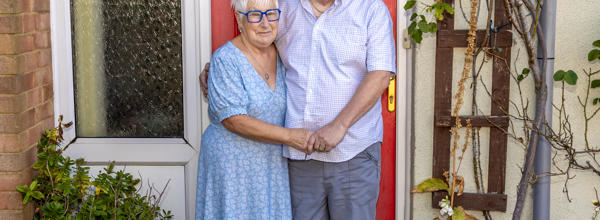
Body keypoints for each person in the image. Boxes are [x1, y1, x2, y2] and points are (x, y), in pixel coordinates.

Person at [201, 0, 396, 219]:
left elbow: (380, 75)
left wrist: (339, 125)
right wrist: (220, 70)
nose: (265, 21)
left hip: (352, 151)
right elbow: (257, 39)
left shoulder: (370, 9)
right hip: (301, 157)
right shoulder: (285, 7)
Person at [195, 0, 313, 219]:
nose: (265, 23)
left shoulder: (283, 54)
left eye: (271, 14)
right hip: (233, 166)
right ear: (239, 20)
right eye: (255, 15)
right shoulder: (225, 60)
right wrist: (291, 137)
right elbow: (234, 119)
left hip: (270, 164)